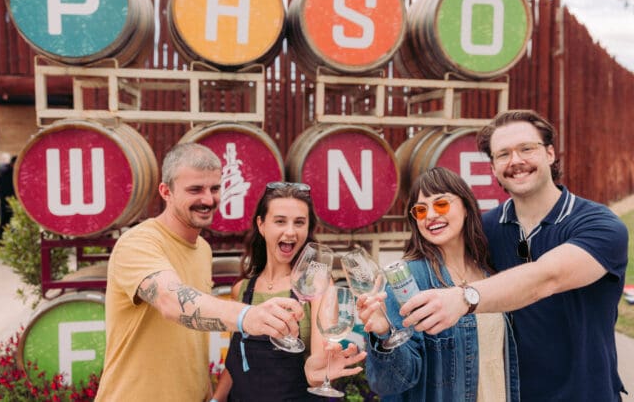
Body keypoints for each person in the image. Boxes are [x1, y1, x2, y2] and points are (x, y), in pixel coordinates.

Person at [400, 110, 628, 401]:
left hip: (586, 394)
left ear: (549, 153)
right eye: (503, 154)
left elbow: (547, 278)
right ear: (493, 167)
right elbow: (438, 252)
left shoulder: (600, 225)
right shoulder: (486, 229)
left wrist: (464, 298)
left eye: (526, 149)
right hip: (512, 394)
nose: (515, 161)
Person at [96, 144, 305, 402]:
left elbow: (191, 337)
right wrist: (248, 316)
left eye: (214, 188)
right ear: (166, 191)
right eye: (195, 190)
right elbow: (172, 301)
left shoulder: (202, 249)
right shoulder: (138, 243)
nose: (208, 200)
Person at [357, 167, 519, 401]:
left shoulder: (489, 271)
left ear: (466, 207)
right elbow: (391, 382)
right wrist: (384, 333)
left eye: (441, 204)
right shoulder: (408, 279)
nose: (430, 215)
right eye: (421, 210)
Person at [212, 181, 366, 402]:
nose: (291, 231)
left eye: (299, 222)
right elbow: (237, 360)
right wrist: (215, 399)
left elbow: (317, 370)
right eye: (280, 221)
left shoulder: (318, 284)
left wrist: (318, 371)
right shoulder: (242, 289)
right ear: (261, 225)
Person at [0, 155, 17, 246]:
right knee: (5, 221)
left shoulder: (5, 172)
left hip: (8, 201)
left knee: (6, 222)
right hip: (8, 202)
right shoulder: (9, 172)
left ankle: (0, 241)